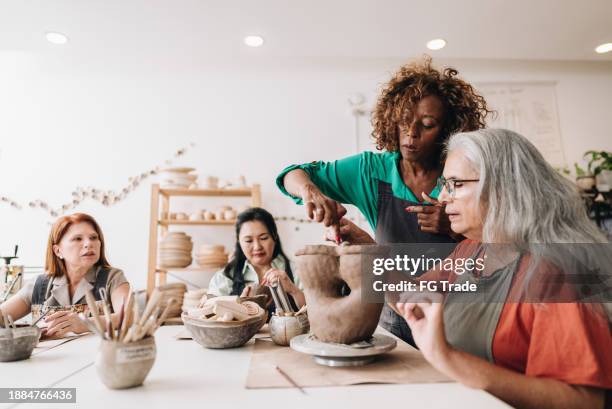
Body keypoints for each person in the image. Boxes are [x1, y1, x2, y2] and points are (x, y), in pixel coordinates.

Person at [276, 56, 491, 342]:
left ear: (450, 130)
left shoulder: (463, 174)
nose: (411, 133)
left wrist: (453, 228)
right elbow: (294, 174)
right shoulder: (371, 172)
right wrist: (311, 192)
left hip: (459, 318)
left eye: (427, 124)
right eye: (404, 121)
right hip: (397, 317)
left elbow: (498, 243)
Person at [396, 129, 612, 409]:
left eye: (456, 184)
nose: (443, 197)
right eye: (444, 185)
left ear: (502, 187)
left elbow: (583, 401)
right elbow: (411, 296)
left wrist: (447, 357)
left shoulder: (558, 271)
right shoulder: (472, 249)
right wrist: (366, 258)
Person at [0, 213, 130, 338]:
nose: (88, 243)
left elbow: (129, 317)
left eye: (93, 237)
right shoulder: (38, 285)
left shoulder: (112, 277)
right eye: (78, 239)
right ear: (58, 251)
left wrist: (84, 323)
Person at [207, 207, 305, 310]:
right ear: (239, 242)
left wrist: (293, 290)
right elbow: (210, 312)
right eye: (249, 241)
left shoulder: (297, 271)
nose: (257, 247)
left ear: (274, 236)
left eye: (263, 238)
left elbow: (316, 311)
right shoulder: (225, 277)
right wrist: (238, 307)